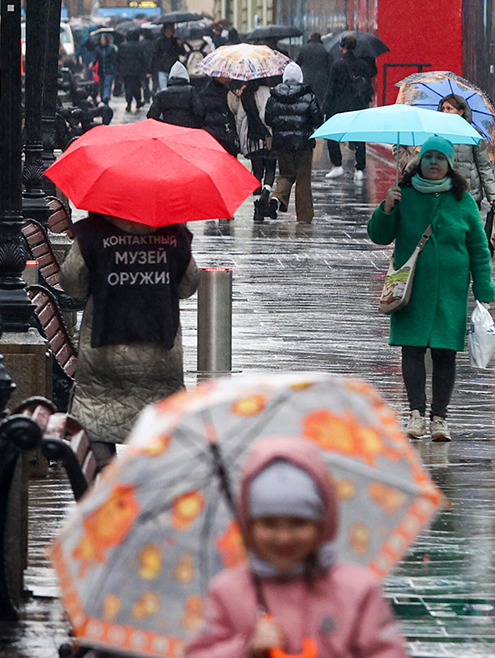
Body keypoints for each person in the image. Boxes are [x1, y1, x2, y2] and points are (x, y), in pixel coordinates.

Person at [185, 437, 410, 658]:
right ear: (249, 525)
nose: (284, 537)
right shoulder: (228, 593)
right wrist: (246, 649)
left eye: (298, 523)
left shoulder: (357, 590)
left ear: (322, 523)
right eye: (269, 523)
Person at [367, 137, 494, 442]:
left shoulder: (463, 201)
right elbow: (379, 236)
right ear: (419, 161)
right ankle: (415, 414)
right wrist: (387, 207)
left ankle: (440, 418)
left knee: (445, 353)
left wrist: (484, 291)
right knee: (411, 349)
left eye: (440, 158)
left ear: (450, 164)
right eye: (428, 157)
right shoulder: (404, 194)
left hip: (450, 291)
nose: (433, 162)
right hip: (411, 288)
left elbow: (479, 250)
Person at [58, 212, 199, 470]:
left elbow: (72, 284)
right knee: (159, 418)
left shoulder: (93, 232)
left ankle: (106, 477)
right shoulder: (173, 232)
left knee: (97, 416)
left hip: (103, 349)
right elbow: (188, 286)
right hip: (160, 350)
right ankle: (148, 480)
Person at [265, 63, 323, 223]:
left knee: (286, 174)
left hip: (282, 144)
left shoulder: (274, 96)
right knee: (303, 179)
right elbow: (317, 119)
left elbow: (268, 119)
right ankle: (304, 216)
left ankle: (277, 198)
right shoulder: (308, 95)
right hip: (303, 144)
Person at [324, 35, 375, 180]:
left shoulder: (337, 65)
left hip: (339, 105)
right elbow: (368, 85)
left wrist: (325, 107)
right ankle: (359, 168)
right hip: (357, 104)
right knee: (359, 136)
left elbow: (331, 89)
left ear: (342, 46)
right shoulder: (363, 65)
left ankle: (337, 165)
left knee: (332, 134)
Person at [236, 78, 276, 220]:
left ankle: (257, 207)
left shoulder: (246, 94)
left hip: (252, 138)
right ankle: (266, 191)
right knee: (270, 168)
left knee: (257, 172)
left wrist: (241, 139)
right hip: (269, 137)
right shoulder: (270, 92)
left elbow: (240, 118)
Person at [146, 61, 204, 128]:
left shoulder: (162, 94)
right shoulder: (191, 91)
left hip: (169, 129)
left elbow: (152, 115)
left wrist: (164, 124)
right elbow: (199, 112)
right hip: (188, 128)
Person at [200, 75, 239, 156]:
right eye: (226, 76)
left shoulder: (203, 93)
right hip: (224, 133)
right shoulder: (225, 93)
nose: (229, 78)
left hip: (209, 133)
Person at [115, 33, 149, 113]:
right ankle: (138, 101)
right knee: (137, 87)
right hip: (137, 70)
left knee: (127, 87)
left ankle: (129, 103)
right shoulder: (139, 46)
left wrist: (119, 69)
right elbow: (143, 58)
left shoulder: (122, 46)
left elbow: (118, 58)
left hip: (125, 70)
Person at [296, 32, 331, 109]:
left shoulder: (303, 49)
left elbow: (297, 64)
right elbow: (330, 66)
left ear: (310, 38)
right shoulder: (325, 49)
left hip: (307, 78)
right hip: (322, 79)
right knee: (320, 101)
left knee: (306, 100)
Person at [149, 23, 187, 92]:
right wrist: (151, 70)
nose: (172, 30)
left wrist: (180, 45)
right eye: (170, 28)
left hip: (174, 68)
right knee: (164, 90)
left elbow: (182, 53)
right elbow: (154, 55)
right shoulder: (159, 41)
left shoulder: (175, 41)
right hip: (162, 68)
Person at [92, 33, 118, 103]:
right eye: (102, 40)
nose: (103, 42)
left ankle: (106, 97)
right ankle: (103, 97)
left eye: (104, 40)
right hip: (101, 70)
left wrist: (115, 69)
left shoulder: (111, 49)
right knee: (101, 85)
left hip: (109, 69)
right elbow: (95, 58)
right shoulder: (98, 49)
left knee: (107, 84)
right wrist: (92, 63)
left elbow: (114, 60)